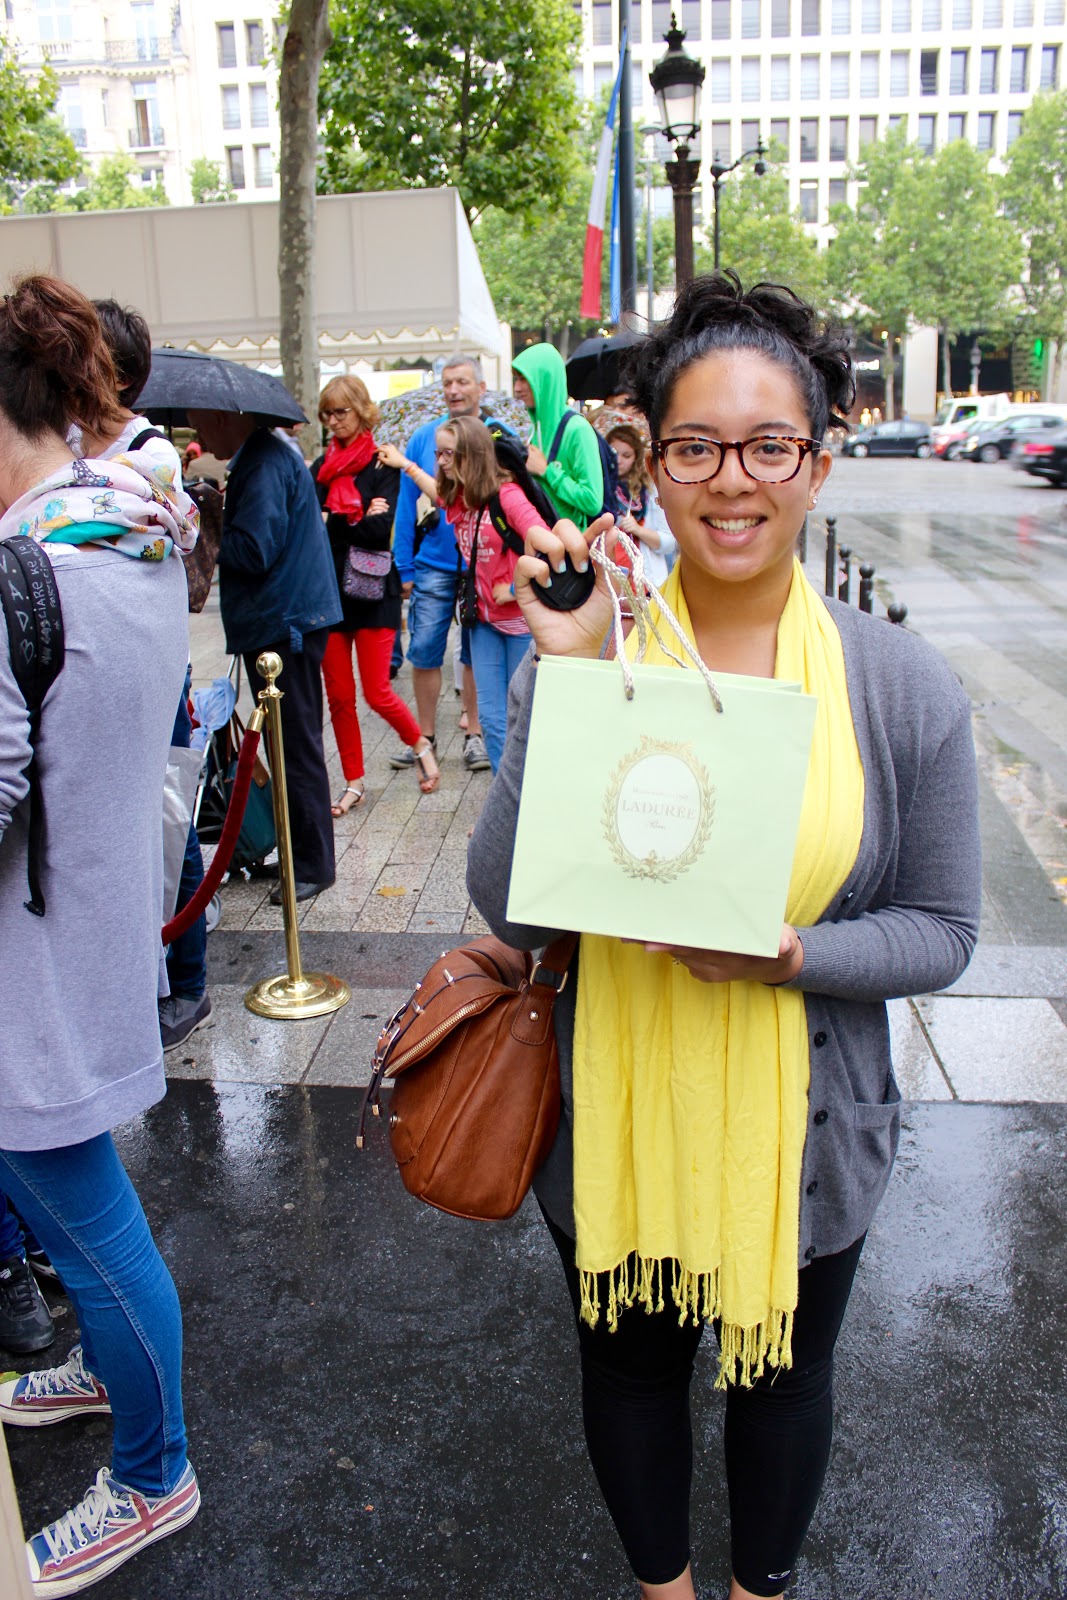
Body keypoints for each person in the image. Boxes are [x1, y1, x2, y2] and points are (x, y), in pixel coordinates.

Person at [467, 273, 981, 1600]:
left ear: (816, 464)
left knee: (784, 1378)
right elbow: (510, 907)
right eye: (693, 445)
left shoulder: (896, 686)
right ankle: (664, 1590)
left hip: (806, 1130)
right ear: (649, 464)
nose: (729, 480)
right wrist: (565, 680)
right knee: (627, 1370)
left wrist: (796, 956)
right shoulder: (608, 647)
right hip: (616, 1121)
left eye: (766, 446)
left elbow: (938, 930)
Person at [0, 272, 201, 1593]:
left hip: (32, 965)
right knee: (82, 1219)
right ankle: (105, 1387)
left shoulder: (24, 569)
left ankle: (152, 1474)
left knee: (93, 1228)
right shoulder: (132, 535)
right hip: (101, 919)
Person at [83, 297, 212, 1052]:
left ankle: (186, 980)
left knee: (168, 817)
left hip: (148, 669)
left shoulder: (149, 453)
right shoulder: (67, 445)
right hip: (94, 670)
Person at [187, 406, 342, 904]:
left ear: (230, 419)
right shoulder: (259, 458)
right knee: (283, 744)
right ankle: (301, 855)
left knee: (293, 747)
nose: (200, 432)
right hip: (282, 620)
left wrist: (207, 522)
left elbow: (256, 550)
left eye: (203, 421)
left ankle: (314, 864)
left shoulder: (265, 461)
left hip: (286, 624)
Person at [379, 417, 550, 774]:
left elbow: (548, 541)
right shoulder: (461, 498)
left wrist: (520, 586)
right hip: (483, 622)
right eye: (438, 452)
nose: (440, 460)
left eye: (448, 453)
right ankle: (505, 811)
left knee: (523, 717)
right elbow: (433, 489)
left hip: (520, 624)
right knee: (490, 718)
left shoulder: (507, 495)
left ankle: (527, 805)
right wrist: (406, 465)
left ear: (471, 455)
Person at [312, 376, 439, 808]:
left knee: (376, 691)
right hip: (328, 592)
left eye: (341, 412)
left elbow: (379, 528)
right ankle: (354, 782)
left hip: (372, 591)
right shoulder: (319, 469)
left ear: (362, 411)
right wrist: (349, 520)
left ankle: (420, 745)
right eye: (327, 413)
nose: (333, 421)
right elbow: (317, 528)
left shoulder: (383, 463)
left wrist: (338, 520)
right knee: (340, 698)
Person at [391, 355, 501, 775]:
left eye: (462, 382)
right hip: (434, 561)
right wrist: (404, 566)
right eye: (447, 383)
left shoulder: (496, 435)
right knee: (424, 649)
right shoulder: (424, 437)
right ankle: (424, 738)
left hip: (483, 562)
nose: (454, 390)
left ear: (480, 387)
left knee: (475, 652)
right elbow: (406, 503)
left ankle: (475, 735)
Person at [511, 342, 604, 528]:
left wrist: (548, 471)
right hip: (540, 543)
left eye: (524, 379)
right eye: (516, 379)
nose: (516, 388)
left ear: (544, 380)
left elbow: (593, 501)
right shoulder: (533, 429)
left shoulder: (577, 429)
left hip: (571, 548)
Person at [605, 420, 678, 588]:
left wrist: (638, 530)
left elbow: (669, 543)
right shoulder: (599, 489)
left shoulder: (649, 491)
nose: (619, 460)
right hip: (610, 581)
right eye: (613, 452)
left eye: (626, 455)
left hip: (646, 583)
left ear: (636, 457)